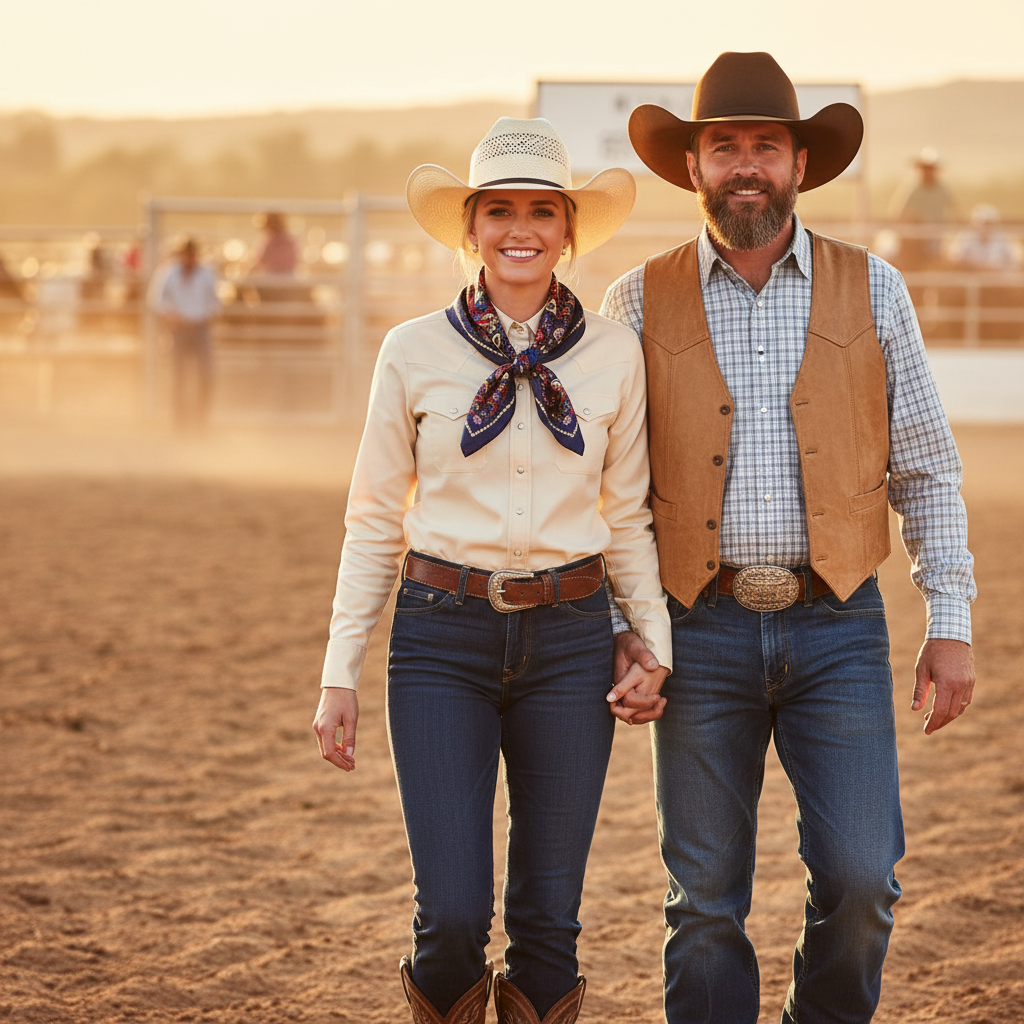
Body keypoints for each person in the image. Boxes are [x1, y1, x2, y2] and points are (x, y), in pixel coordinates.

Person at [600, 52, 977, 1024]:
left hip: (838, 623)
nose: (744, 166)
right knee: (704, 905)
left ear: (799, 163)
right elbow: (607, 494)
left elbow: (925, 466)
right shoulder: (633, 302)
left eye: (764, 145)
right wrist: (625, 626)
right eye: (723, 146)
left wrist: (951, 615)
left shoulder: (876, 288)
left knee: (861, 881)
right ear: (691, 167)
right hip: (695, 627)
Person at [312, 117, 670, 1024]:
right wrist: (336, 672)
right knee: (453, 918)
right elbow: (370, 520)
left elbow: (627, 516)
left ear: (569, 230)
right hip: (440, 635)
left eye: (543, 212)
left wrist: (651, 645)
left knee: (549, 924)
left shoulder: (612, 354)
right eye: (500, 210)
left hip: (572, 641)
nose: (522, 228)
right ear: (470, 228)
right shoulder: (412, 352)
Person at [152, 238, 220, 429]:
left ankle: (201, 418)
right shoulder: (168, 273)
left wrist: (206, 314)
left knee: (206, 374)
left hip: (200, 327)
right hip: (178, 328)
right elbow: (157, 300)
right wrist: (172, 315)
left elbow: (215, 301)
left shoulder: (207, 274)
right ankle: (179, 420)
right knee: (177, 376)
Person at [888, 147, 956, 271]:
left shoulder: (943, 190)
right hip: (915, 237)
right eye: (925, 168)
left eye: (930, 168)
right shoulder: (912, 188)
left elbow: (955, 212)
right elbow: (898, 214)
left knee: (936, 263)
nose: (927, 172)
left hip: (935, 237)